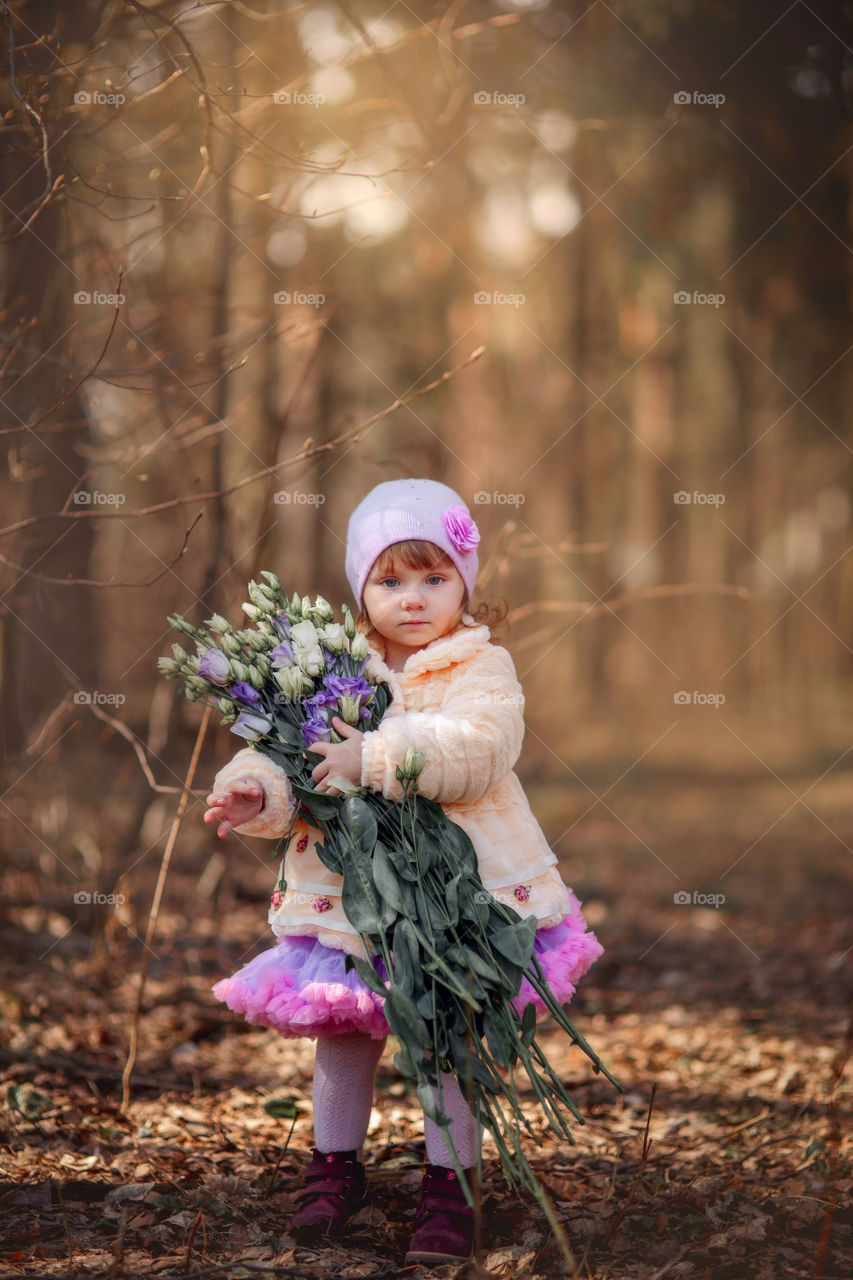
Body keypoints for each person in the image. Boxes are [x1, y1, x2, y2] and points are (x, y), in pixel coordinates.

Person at [203, 477, 603, 1264]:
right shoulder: (330, 667)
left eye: (434, 577)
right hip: (353, 904)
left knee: (446, 1036)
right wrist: (257, 792)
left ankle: (451, 1184)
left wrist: (377, 755)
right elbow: (289, 753)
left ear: (465, 584)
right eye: (390, 580)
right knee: (346, 1037)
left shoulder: (478, 668)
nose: (413, 598)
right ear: (361, 589)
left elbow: (480, 748)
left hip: (459, 902)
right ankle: (332, 1166)